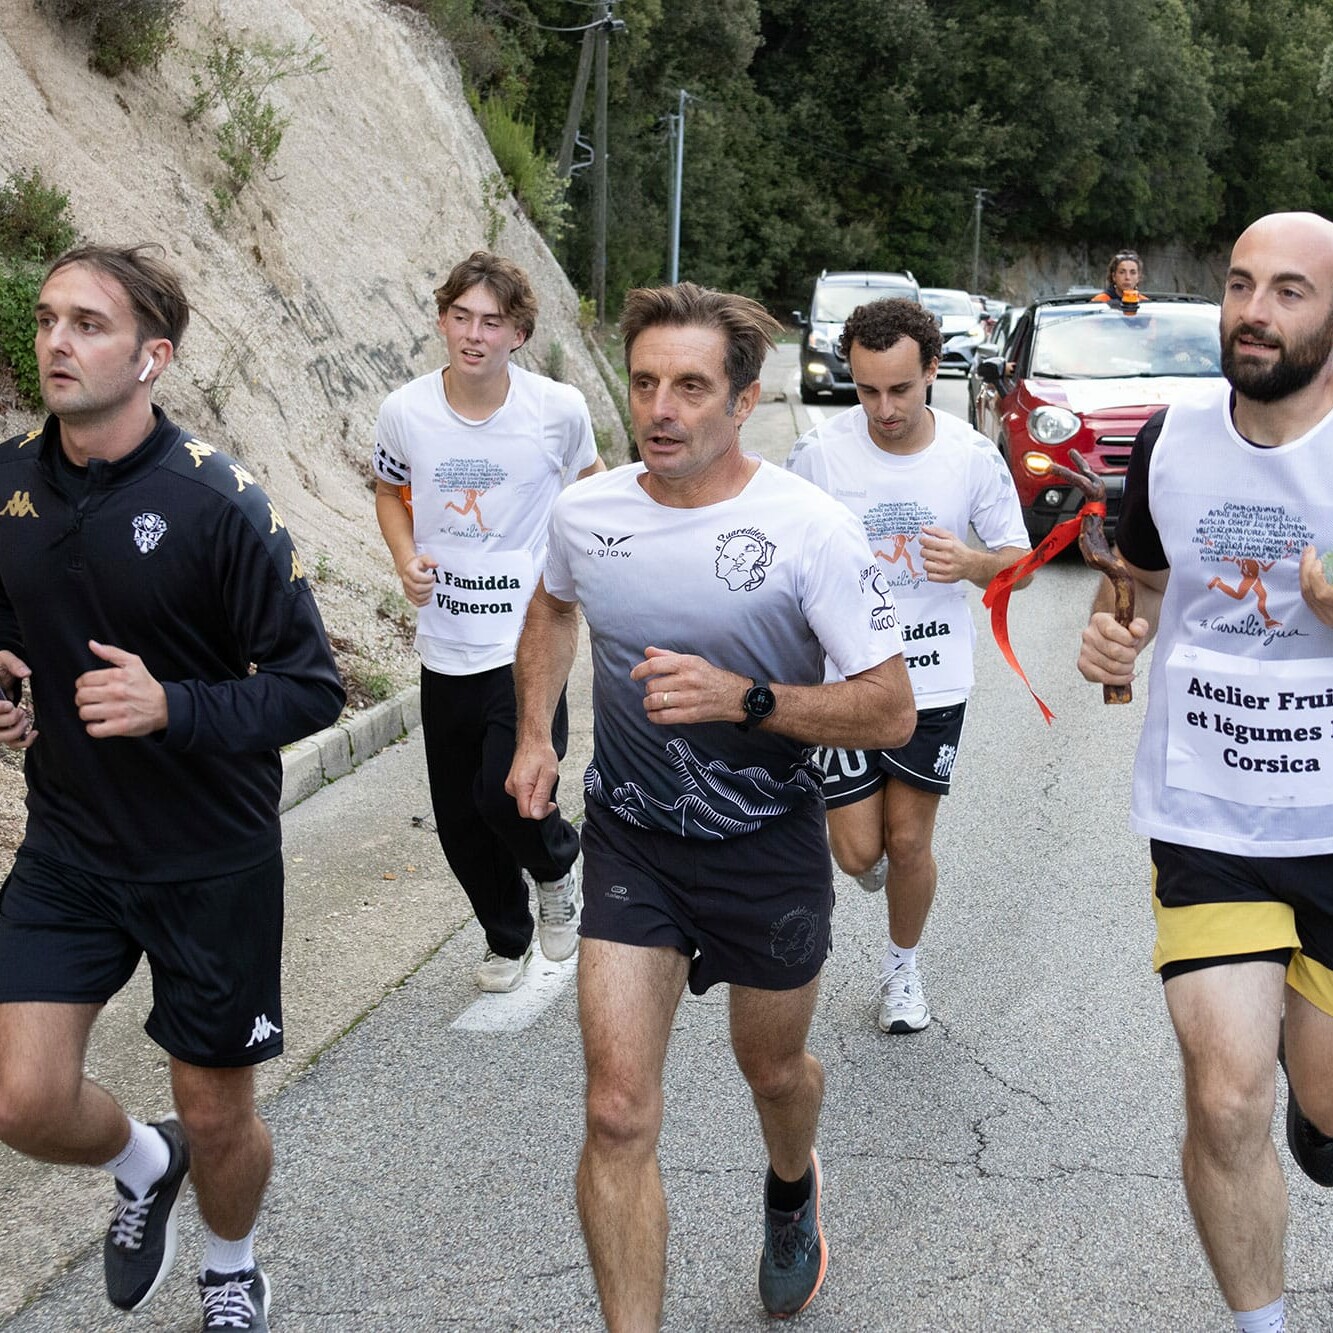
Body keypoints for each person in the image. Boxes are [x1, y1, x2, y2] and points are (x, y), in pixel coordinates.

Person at [505, 282, 916, 1326]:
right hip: (633, 842)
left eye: (690, 387)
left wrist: (748, 700)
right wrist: (533, 733)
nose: (661, 409)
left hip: (765, 844)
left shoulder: (810, 530)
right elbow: (551, 606)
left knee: (771, 1071)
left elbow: (890, 709)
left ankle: (791, 1185)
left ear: (742, 401)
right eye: (644, 382)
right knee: (615, 1110)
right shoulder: (587, 513)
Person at [0, 243, 344, 1332]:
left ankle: (231, 1266)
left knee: (220, 1111)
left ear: (152, 358)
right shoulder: (7, 483)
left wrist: (175, 707)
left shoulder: (217, 502)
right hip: (69, 846)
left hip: (208, 859)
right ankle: (146, 1161)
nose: (56, 341)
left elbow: (312, 686)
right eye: (47, 318)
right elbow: (14, 625)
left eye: (87, 324)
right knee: (22, 1099)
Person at [1077, 210, 1333, 1333]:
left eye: (1288, 291)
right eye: (1239, 285)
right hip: (1207, 817)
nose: (1253, 313)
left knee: (1322, 1111)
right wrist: (1111, 640)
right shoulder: (1169, 440)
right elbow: (1135, 581)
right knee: (1226, 1097)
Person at [787, 298, 1030, 1034]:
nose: (884, 409)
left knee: (909, 840)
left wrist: (973, 563)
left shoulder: (970, 456)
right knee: (860, 852)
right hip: (847, 682)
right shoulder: (818, 454)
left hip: (934, 676)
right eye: (866, 390)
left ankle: (902, 970)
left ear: (932, 370)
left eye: (899, 388)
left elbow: (1019, 566)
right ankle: (888, 875)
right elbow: (786, 557)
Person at [372, 251, 603, 993]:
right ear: (443, 322)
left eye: (492, 322)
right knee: (459, 822)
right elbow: (388, 490)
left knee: (506, 793)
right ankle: (507, 938)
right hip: (445, 643)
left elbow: (591, 492)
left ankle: (557, 863)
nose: (474, 334)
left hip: (527, 641)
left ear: (518, 334)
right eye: (461, 317)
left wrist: (581, 575)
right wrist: (405, 558)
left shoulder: (556, 410)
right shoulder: (405, 411)